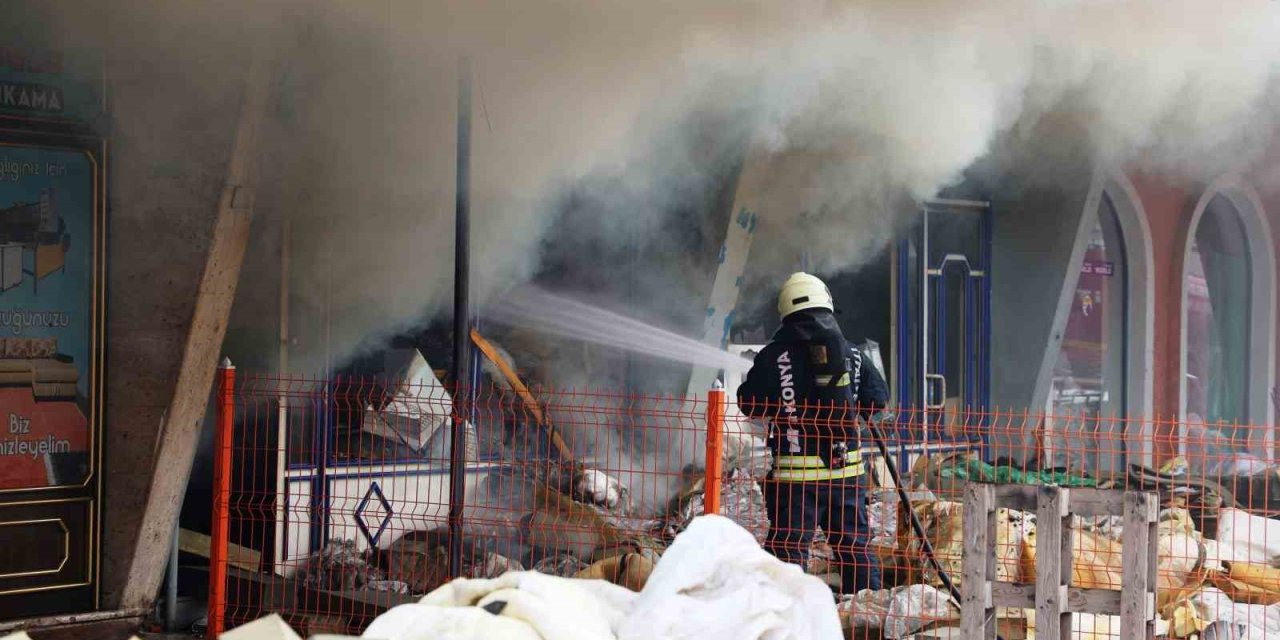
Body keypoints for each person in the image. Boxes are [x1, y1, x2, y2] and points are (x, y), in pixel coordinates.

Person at [736, 272, 887, 594]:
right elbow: (877, 402)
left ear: (785, 313)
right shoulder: (855, 355)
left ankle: (788, 620)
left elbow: (749, 405)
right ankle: (869, 616)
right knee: (855, 550)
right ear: (828, 306)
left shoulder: (772, 358)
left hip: (795, 479)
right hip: (846, 474)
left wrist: (786, 402)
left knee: (788, 552)